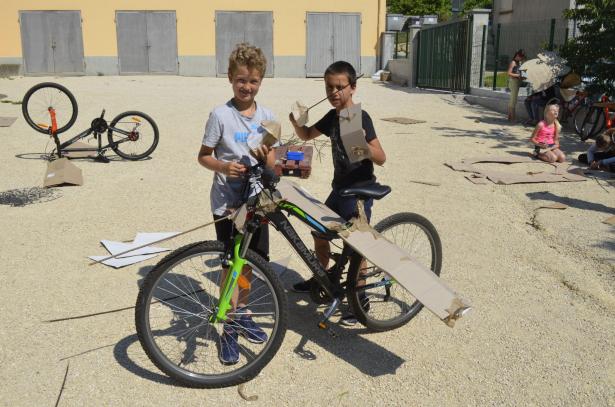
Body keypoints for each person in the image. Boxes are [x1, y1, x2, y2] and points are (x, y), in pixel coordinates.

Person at [288, 61, 386, 325]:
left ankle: (360, 298)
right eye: (329, 87)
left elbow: (381, 157)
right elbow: (307, 135)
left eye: (339, 87)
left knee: (356, 247)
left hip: (358, 192)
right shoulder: (334, 117)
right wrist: (297, 124)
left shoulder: (359, 117)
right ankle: (322, 277)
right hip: (339, 189)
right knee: (319, 233)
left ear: (353, 88)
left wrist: (363, 142)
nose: (334, 93)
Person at [198, 43, 276, 365]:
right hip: (228, 204)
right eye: (241, 80)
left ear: (261, 81)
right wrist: (222, 166)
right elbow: (203, 156)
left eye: (253, 81)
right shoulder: (220, 115)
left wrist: (267, 158)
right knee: (231, 264)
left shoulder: (268, 117)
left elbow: (274, 163)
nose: (247, 87)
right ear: (230, 78)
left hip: (256, 203)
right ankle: (228, 327)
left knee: (251, 263)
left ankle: (241, 313)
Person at [507, 49, 525, 122]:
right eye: (521, 57)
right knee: (513, 100)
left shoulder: (519, 63)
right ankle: (513, 118)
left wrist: (522, 76)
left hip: (517, 81)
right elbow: (509, 73)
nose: (521, 58)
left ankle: (510, 117)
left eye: (522, 57)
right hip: (513, 81)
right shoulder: (513, 62)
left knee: (513, 99)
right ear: (517, 55)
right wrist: (518, 75)